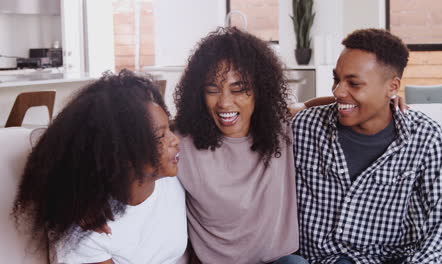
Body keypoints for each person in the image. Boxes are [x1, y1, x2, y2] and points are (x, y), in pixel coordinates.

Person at [293, 28, 442, 264]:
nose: (337, 91)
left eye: (354, 83)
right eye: (336, 79)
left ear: (392, 87)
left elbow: (440, 232)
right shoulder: (306, 127)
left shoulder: (427, 138)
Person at [12, 70, 187, 264]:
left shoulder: (171, 177)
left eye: (169, 129)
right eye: (160, 136)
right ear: (119, 152)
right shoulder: (88, 230)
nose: (176, 140)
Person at [173, 27, 309, 264]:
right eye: (212, 90)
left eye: (238, 89)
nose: (224, 102)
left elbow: (320, 107)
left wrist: (385, 102)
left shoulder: (281, 127)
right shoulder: (179, 142)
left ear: (260, 91)